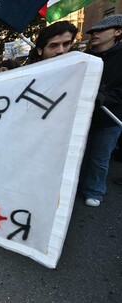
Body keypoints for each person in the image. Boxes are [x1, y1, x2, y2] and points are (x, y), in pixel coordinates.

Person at [79, 14, 122, 207]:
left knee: (99, 156)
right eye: (93, 31)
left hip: (109, 118)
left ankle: (94, 191)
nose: (95, 34)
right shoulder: (86, 56)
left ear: (118, 32)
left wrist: (105, 97)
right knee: (79, 152)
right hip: (83, 115)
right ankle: (76, 186)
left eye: (101, 30)